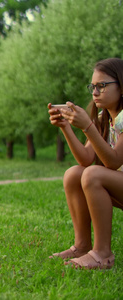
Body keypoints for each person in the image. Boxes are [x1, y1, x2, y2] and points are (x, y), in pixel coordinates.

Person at [47, 57, 123, 270]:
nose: (95, 92)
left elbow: (113, 161)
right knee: (74, 174)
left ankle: (102, 254)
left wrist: (88, 126)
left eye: (102, 86)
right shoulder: (104, 117)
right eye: (93, 86)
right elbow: (86, 159)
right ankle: (82, 246)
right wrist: (67, 127)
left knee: (93, 175)